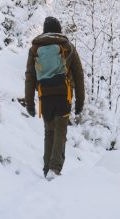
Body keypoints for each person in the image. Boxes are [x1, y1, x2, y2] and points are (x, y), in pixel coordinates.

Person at [24, 16, 85, 178]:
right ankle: (55, 168)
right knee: (60, 130)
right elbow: (79, 75)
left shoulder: (35, 49)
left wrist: (29, 102)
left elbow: (30, 76)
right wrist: (80, 101)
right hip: (64, 95)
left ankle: (47, 169)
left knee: (49, 131)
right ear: (59, 30)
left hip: (45, 96)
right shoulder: (67, 47)